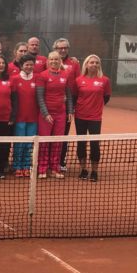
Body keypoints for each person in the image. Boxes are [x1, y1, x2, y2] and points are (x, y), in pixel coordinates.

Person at [72, 54, 111, 182]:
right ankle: (83, 169)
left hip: (95, 117)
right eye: (91, 62)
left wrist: (97, 106)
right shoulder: (78, 80)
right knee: (81, 144)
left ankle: (94, 171)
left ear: (99, 65)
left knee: (95, 144)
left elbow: (106, 97)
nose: (94, 64)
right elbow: (74, 97)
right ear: (86, 65)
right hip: (80, 116)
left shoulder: (104, 80)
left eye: (96, 62)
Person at [36, 51, 74, 179]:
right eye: (51, 59)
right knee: (44, 142)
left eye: (56, 59)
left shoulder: (65, 75)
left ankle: (55, 168)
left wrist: (70, 111)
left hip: (61, 114)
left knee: (58, 142)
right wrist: (45, 113)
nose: (54, 61)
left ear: (60, 61)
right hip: (45, 114)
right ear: (48, 61)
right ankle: (42, 168)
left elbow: (68, 95)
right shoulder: (42, 76)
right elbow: (40, 97)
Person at [54, 37, 81, 172]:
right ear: (55, 49)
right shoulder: (50, 62)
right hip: (51, 104)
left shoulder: (74, 63)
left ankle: (61, 161)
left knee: (63, 134)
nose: (63, 50)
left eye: (65, 48)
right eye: (60, 48)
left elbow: (77, 83)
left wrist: (72, 105)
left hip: (68, 104)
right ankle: (47, 162)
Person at [11, 54, 40, 177]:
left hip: (33, 118)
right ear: (21, 66)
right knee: (19, 143)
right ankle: (17, 166)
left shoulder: (38, 78)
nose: (29, 67)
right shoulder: (14, 79)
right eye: (26, 64)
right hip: (19, 118)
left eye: (31, 65)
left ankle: (27, 166)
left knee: (30, 144)